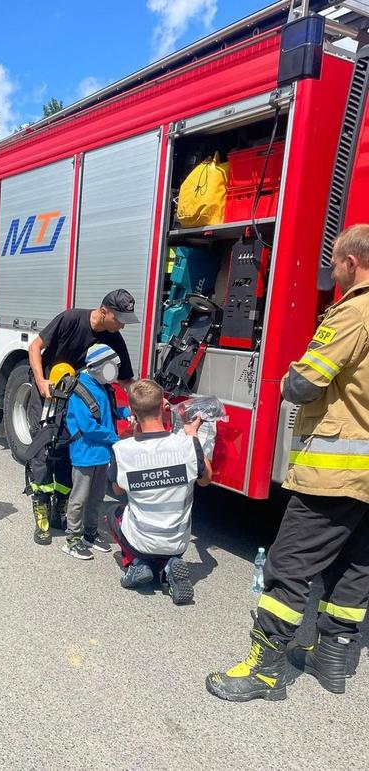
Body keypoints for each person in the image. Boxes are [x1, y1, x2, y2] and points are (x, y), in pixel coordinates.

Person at [206, 223, 369, 702]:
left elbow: (303, 384)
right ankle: (332, 659)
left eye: (334, 264)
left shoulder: (354, 312)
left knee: (289, 563)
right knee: (355, 563)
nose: (332, 273)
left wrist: (292, 368)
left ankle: (265, 669)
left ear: (351, 264)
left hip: (336, 471)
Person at [27, 289, 137, 545]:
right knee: (44, 453)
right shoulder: (71, 319)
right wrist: (41, 381)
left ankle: (60, 510)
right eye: (119, 318)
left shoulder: (114, 337)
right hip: (49, 392)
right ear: (104, 311)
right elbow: (35, 347)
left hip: (76, 398)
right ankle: (42, 514)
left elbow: (125, 379)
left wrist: (148, 401)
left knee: (68, 451)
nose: (122, 325)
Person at [107, 379, 212, 603]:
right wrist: (191, 434)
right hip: (177, 542)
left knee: (113, 513)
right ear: (162, 407)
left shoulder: (123, 451)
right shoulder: (187, 445)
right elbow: (206, 480)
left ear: (133, 411)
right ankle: (168, 565)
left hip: (141, 541)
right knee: (165, 538)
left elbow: (116, 489)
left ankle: (137, 563)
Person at [61, 344, 129, 560]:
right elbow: (89, 427)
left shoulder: (102, 386)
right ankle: (72, 539)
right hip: (85, 453)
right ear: (98, 367)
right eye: (111, 367)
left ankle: (89, 534)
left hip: (101, 454)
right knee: (80, 497)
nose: (114, 372)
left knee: (97, 496)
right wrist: (115, 439)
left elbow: (108, 411)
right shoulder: (80, 391)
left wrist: (128, 412)